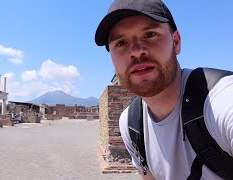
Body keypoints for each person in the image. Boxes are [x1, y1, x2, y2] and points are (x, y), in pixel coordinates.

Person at [95, 0, 233, 179]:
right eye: (121, 43)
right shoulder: (130, 124)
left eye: (150, 34)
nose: (136, 51)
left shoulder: (221, 102)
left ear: (176, 42)